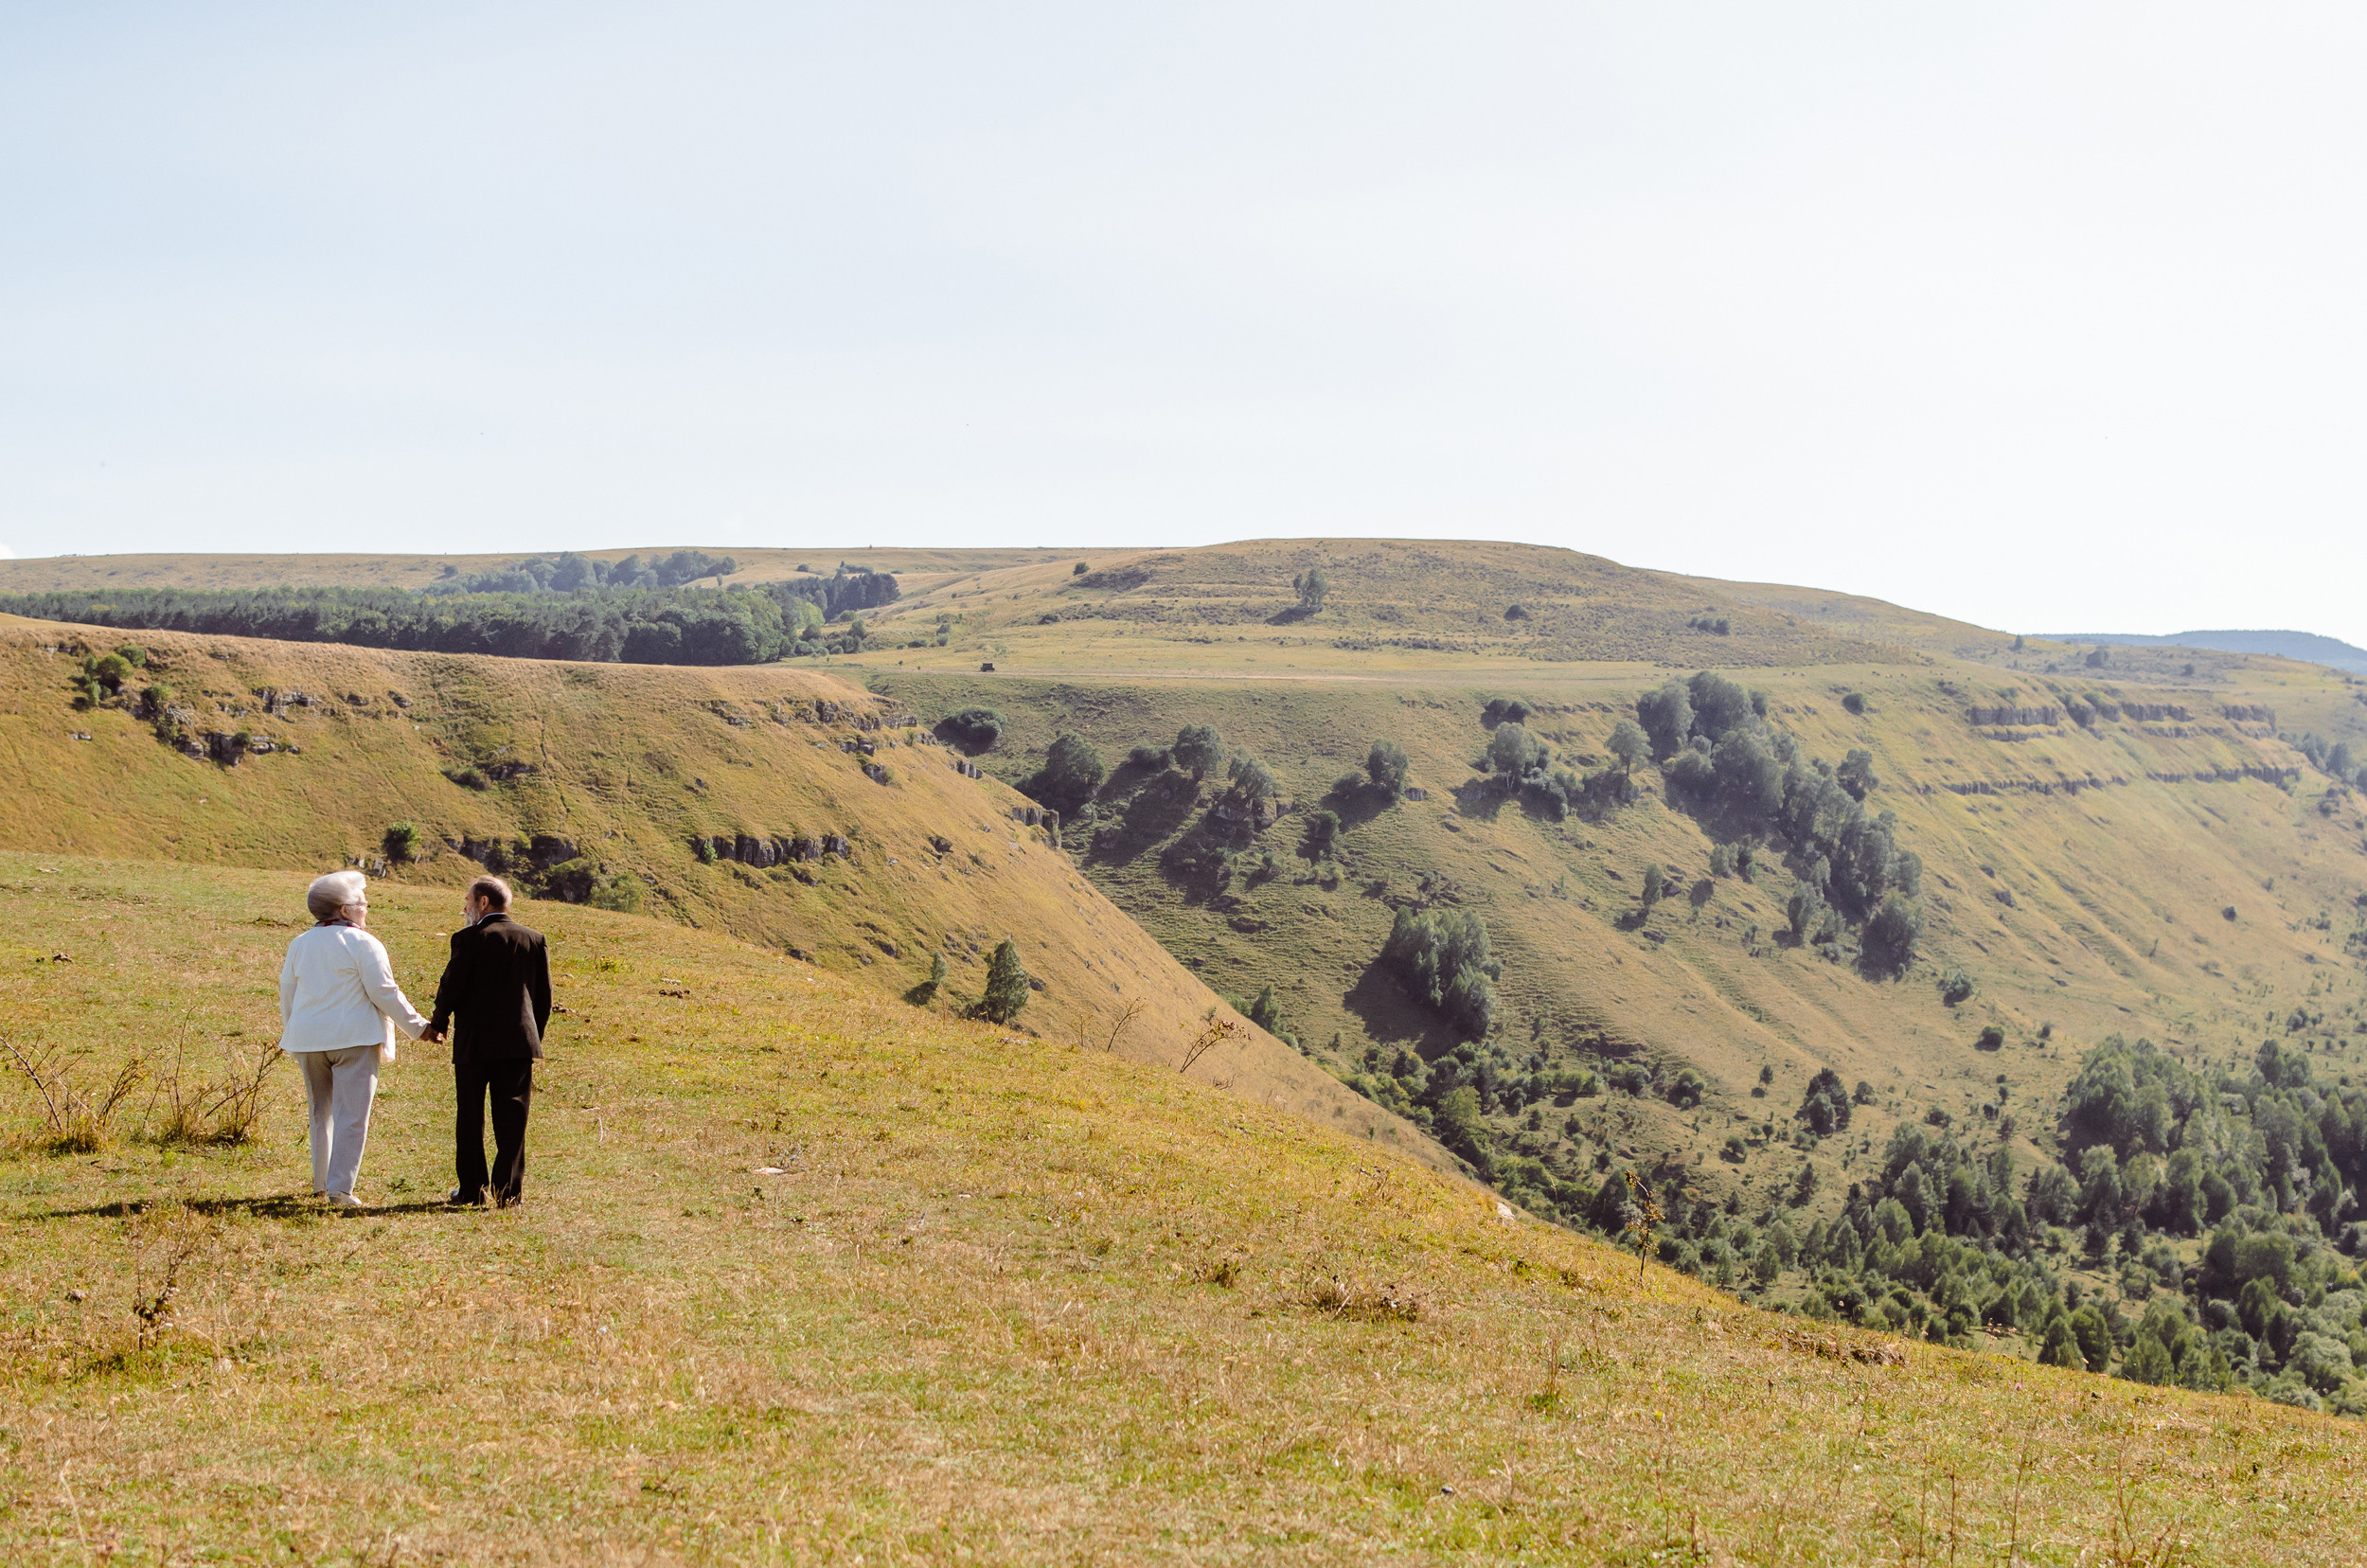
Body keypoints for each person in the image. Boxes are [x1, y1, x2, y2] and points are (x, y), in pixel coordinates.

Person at [277, 870, 430, 1208]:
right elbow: (384, 992)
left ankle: (321, 1182)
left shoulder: (299, 943)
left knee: (320, 1112)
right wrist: (419, 1027)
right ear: (344, 910)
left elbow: (288, 991)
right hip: (354, 1038)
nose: (366, 909)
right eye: (361, 904)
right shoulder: (364, 943)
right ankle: (340, 1189)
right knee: (352, 1114)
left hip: (308, 1038)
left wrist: (292, 1032)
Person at [427, 876, 551, 1207]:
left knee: (470, 1115)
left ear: (483, 902)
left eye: (468, 900)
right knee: (513, 1117)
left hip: (475, 1041)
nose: (464, 907)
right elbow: (542, 998)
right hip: (518, 1042)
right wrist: (532, 1036)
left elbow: (451, 986)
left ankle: (472, 1190)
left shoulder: (469, 939)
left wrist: (439, 1022)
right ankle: (508, 1192)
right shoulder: (533, 939)